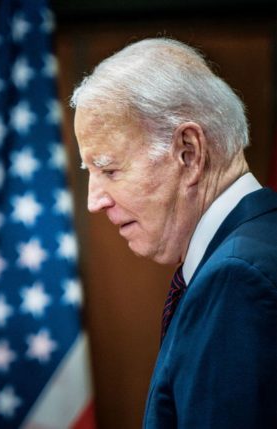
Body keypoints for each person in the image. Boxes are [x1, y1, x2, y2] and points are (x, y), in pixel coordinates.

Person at [70, 38, 277, 428]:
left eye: (109, 169)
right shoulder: (258, 244)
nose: (94, 201)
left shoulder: (236, 279)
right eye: (89, 173)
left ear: (189, 152)